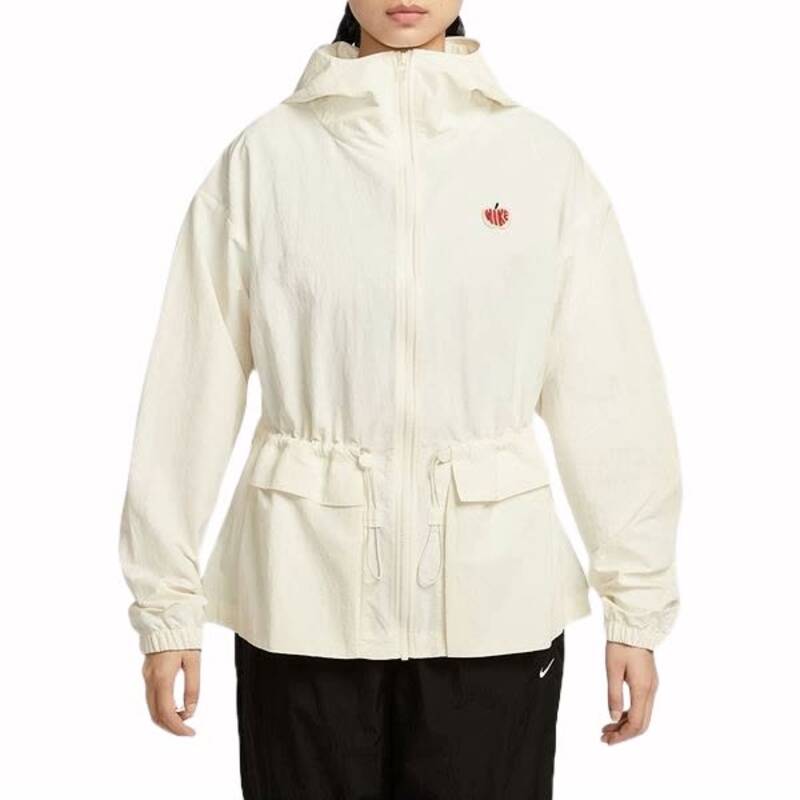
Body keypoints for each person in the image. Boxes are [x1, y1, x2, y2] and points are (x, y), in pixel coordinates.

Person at [119, 2, 682, 797]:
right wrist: (166, 607)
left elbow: (610, 394)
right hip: (300, 600)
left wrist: (637, 607)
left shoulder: (540, 163)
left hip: (496, 610)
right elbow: (189, 387)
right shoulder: (267, 159)